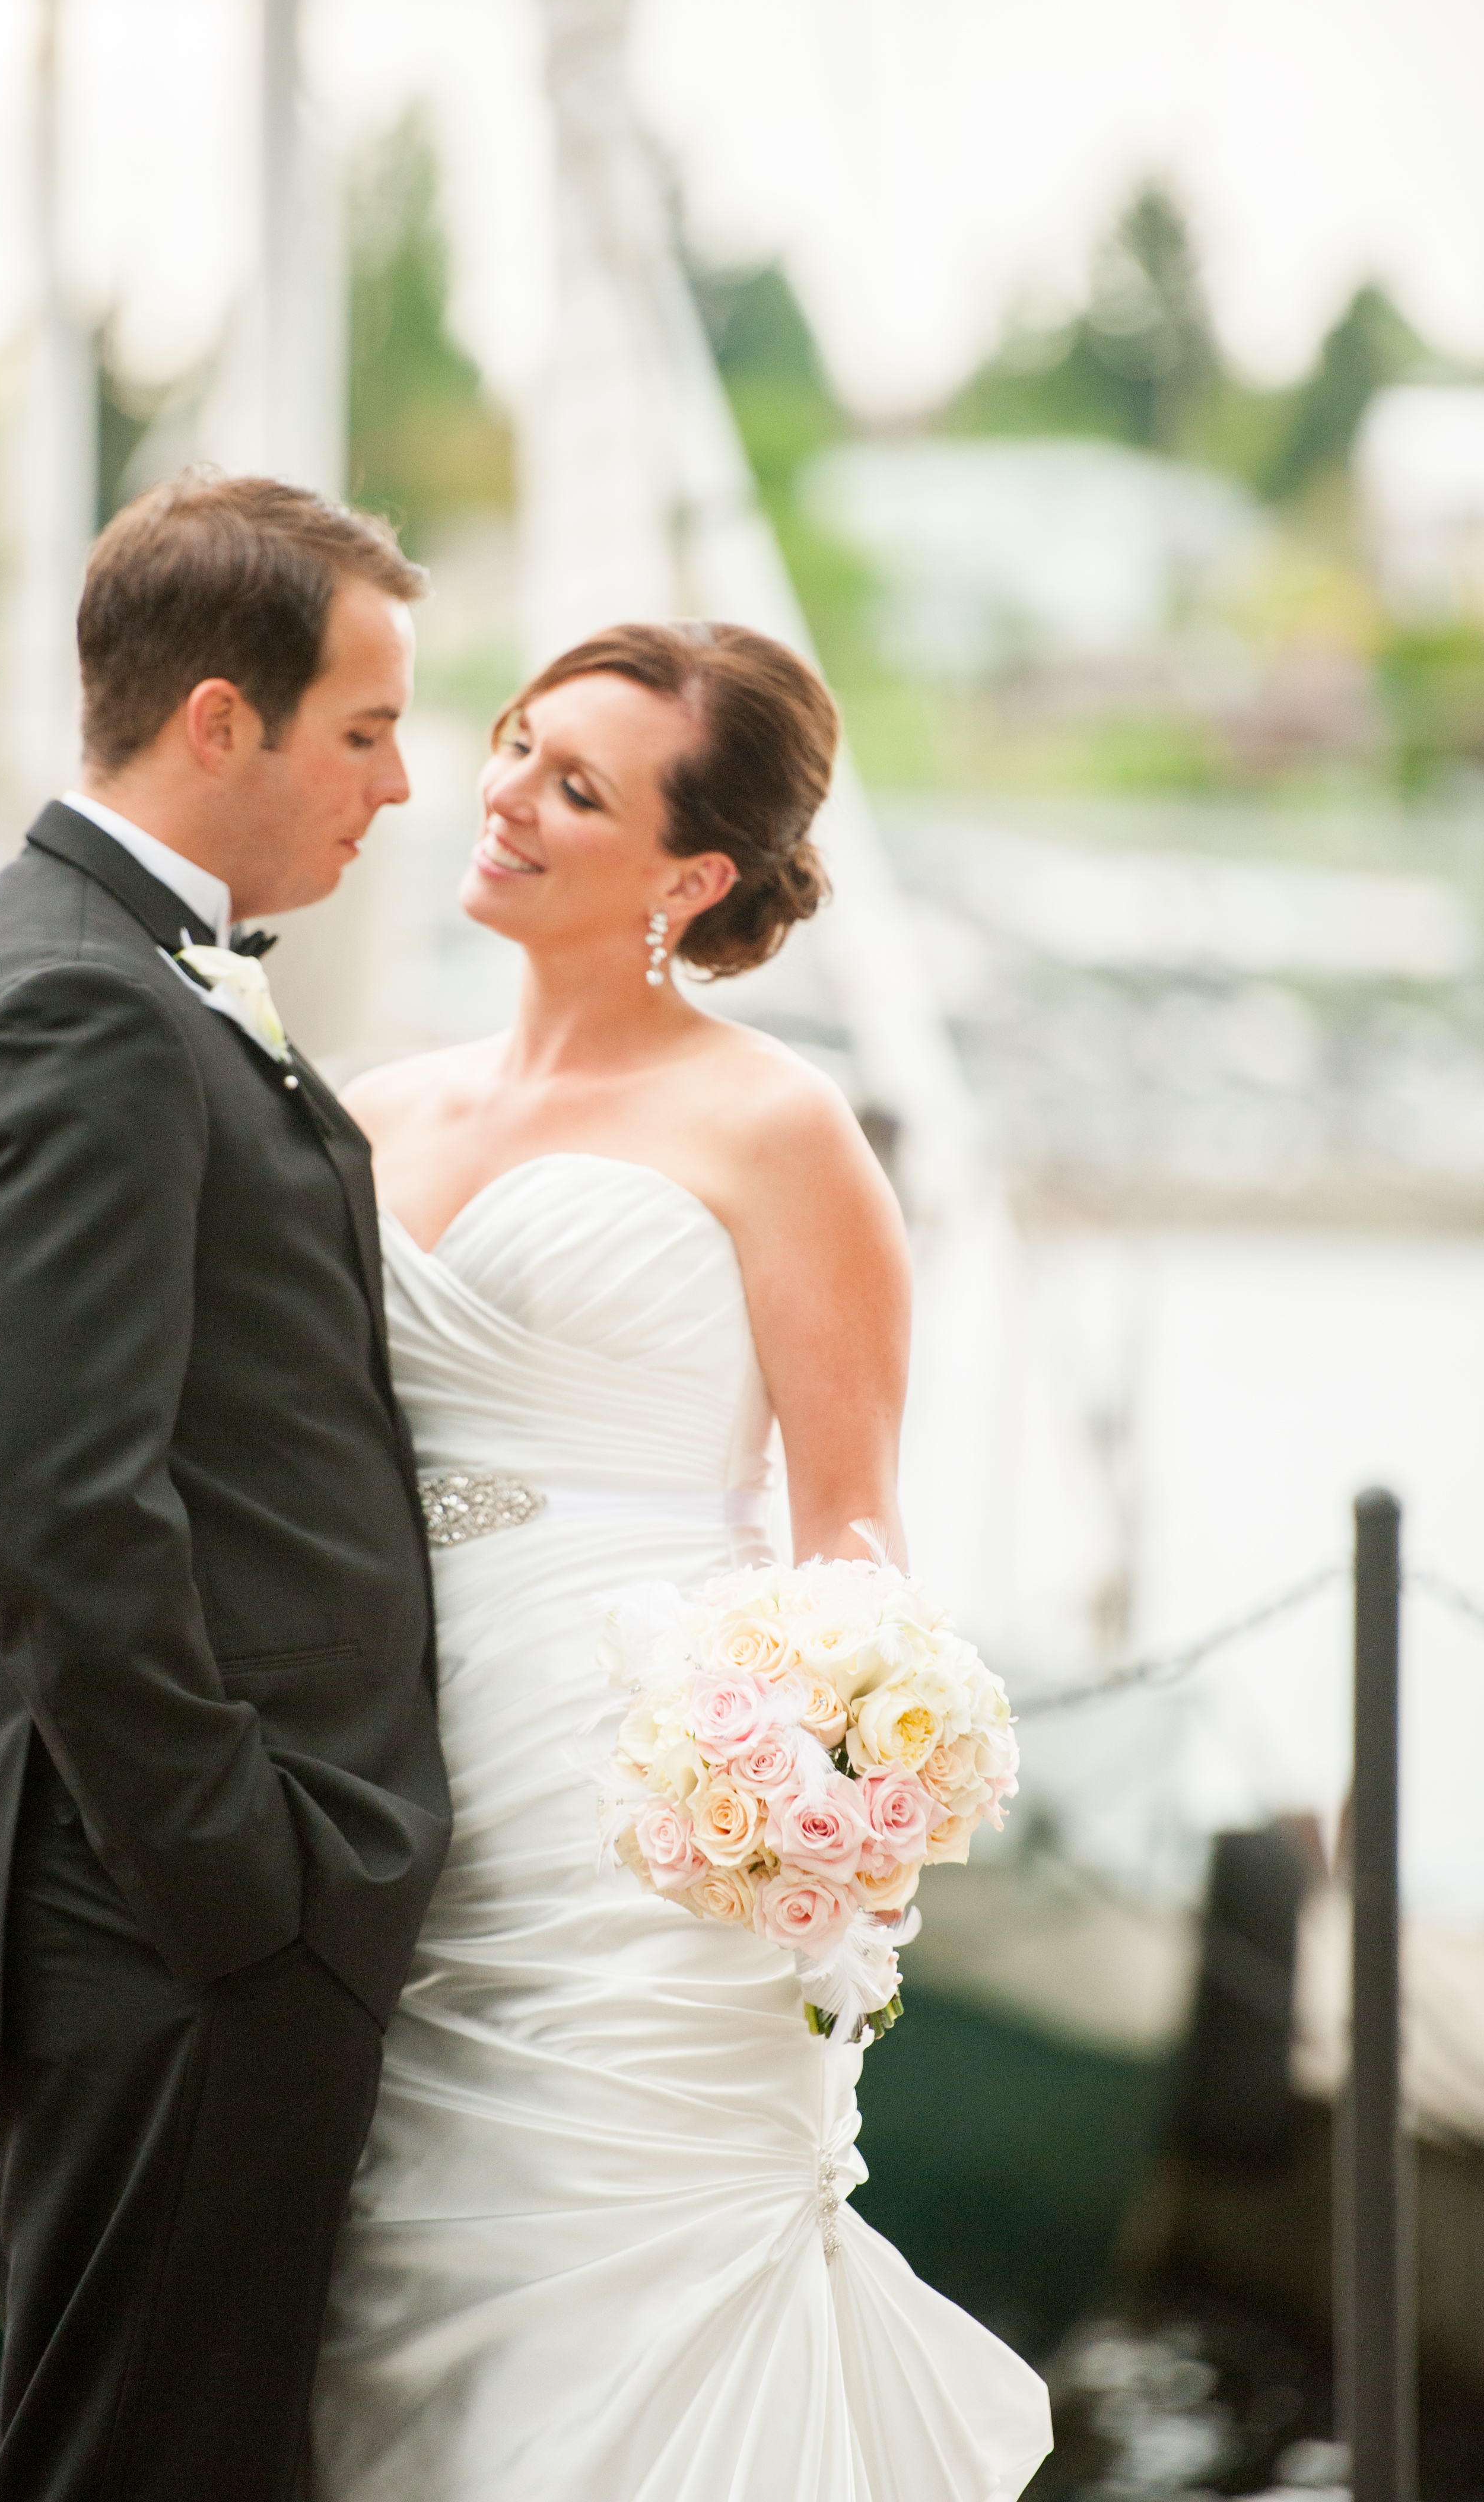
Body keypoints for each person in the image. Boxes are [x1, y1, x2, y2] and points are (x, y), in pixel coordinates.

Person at [311, 621, 1052, 2499]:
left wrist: (815, 1806)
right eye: (514, 747)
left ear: (694, 874)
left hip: (654, 1835)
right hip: (397, 1791)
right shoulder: (369, 1113)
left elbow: (855, 1527)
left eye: (579, 787)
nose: (504, 799)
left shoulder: (777, 1127)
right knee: (397, 2303)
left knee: (625, 2295)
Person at [0, 471, 452, 2502]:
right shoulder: (77, 1001)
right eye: (368, 729)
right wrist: (247, 1892)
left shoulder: (129, 960)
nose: (400, 785)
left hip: (179, 1915)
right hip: (165, 1921)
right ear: (223, 719)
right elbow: (65, 1519)